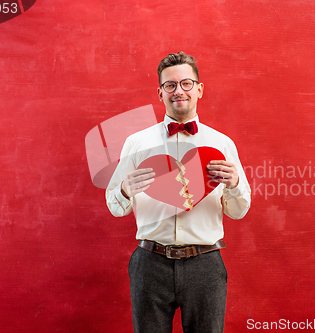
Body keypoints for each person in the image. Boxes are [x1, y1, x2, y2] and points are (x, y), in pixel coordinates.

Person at [105, 51, 251, 333]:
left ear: (199, 89)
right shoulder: (136, 144)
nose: (178, 91)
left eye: (186, 83)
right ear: (160, 93)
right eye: (170, 85)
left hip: (205, 265)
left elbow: (238, 210)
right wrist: (123, 190)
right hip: (149, 264)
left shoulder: (222, 144)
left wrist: (233, 185)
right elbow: (115, 206)